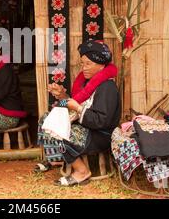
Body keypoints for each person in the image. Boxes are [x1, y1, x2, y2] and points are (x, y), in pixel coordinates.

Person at [36, 40, 121, 186]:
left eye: (88, 64)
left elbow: (101, 121)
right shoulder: (89, 82)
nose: (84, 68)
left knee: (59, 130)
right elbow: (73, 104)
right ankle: (57, 158)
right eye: (82, 63)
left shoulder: (107, 87)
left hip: (100, 135)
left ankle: (82, 171)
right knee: (46, 119)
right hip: (87, 128)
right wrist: (62, 96)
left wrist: (77, 108)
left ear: (101, 65)